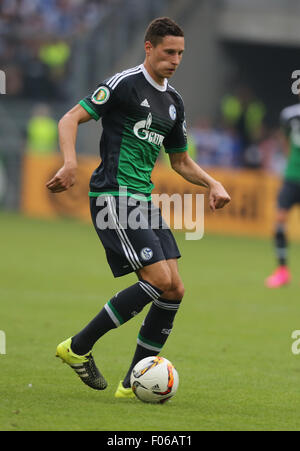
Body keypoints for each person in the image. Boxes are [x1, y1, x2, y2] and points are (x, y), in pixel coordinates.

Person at [46, 17, 231, 397]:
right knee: (159, 280)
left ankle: (132, 383)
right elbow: (69, 119)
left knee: (174, 289)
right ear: (149, 48)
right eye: (168, 52)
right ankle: (77, 348)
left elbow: (178, 161)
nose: (175, 60)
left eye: (180, 53)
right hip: (114, 195)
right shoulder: (124, 84)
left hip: (144, 200)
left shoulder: (174, 103)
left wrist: (212, 182)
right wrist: (68, 163)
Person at [265, 99, 300, 288]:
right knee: (279, 219)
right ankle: (282, 271)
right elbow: (286, 142)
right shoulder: (289, 114)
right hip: (292, 177)